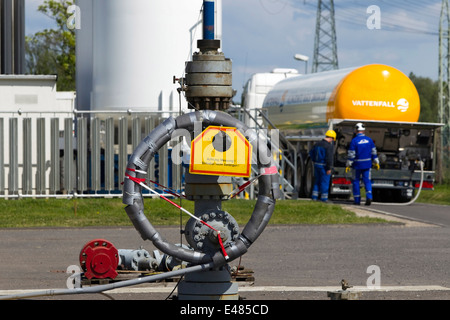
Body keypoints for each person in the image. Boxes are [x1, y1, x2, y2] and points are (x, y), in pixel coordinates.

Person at [346, 123, 380, 206]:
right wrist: (376, 162)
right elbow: (374, 152)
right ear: (364, 130)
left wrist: (348, 164)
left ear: (356, 130)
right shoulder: (369, 140)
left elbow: (351, 154)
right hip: (367, 165)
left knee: (356, 181)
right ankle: (369, 196)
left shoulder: (354, 141)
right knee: (367, 181)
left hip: (357, 165)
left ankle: (357, 200)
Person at [309, 130, 336, 202]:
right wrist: (329, 168)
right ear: (332, 138)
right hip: (324, 167)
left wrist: (314, 161)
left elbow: (311, 153)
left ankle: (314, 197)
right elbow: (329, 158)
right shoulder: (328, 146)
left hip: (317, 165)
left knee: (316, 182)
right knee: (324, 182)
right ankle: (324, 198)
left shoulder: (317, 144)